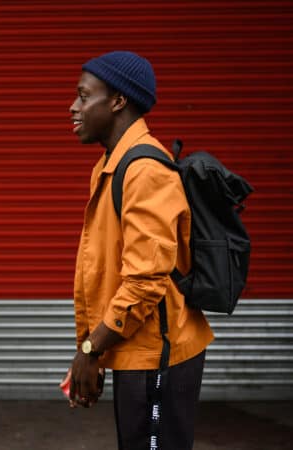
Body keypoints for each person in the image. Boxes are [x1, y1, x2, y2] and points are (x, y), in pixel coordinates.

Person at [61, 51, 214, 449]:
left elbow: (145, 281)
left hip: (158, 358)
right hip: (134, 352)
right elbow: (101, 271)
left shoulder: (145, 171)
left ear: (118, 101)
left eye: (83, 96)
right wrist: (91, 350)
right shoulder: (113, 165)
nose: (73, 107)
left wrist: (92, 349)